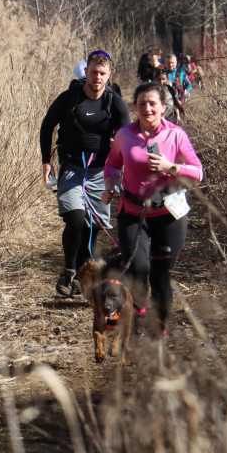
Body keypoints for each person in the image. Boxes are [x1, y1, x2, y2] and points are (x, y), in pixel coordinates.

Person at [103, 82, 202, 337]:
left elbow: (197, 172)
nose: (147, 108)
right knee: (138, 270)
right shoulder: (125, 135)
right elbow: (112, 164)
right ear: (134, 106)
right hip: (132, 212)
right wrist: (110, 186)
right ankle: (139, 313)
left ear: (163, 108)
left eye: (152, 104)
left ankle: (160, 328)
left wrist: (171, 167)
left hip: (168, 214)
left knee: (160, 275)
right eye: (141, 104)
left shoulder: (176, 135)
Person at [40, 50, 132, 297]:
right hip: (71, 168)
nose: (97, 77)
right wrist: (45, 161)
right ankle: (68, 272)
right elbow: (47, 125)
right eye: (93, 72)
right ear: (86, 72)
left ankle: (83, 275)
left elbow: (128, 137)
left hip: (101, 172)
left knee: (93, 227)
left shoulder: (114, 102)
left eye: (102, 73)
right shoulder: (70, 97)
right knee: (76, 218)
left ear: (108, 74)